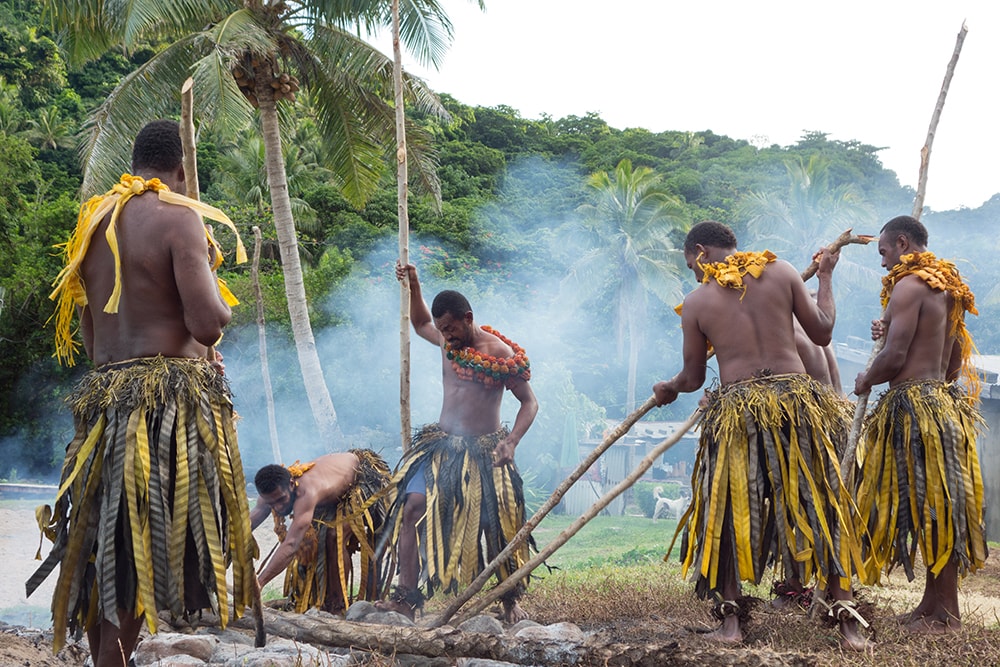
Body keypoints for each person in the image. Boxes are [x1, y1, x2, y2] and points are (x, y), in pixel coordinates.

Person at [27, 120, 254, 667]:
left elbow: (88, 327)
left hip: (106, 400)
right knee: (145, 549)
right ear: (181, 170)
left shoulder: (96, 221)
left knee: (113, 547)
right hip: (163, 410)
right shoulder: (180, 218)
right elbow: (205, 324)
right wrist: (223, 310)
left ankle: (110, 660)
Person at [653, 221, 869, 650]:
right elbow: (823, 330)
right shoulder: (784, 271)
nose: (694, 275)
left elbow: (694, 377)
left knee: (728, 513)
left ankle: (731, 627)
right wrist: (825, 276)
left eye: (691, 265)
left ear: (700, 251)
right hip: (797, 402)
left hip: (738, 410)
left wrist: (669, 388)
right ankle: (849, 627)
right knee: (821, 506)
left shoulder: (696, 302)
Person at [377, 262, 538, 622]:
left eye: (450, 329)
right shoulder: (447, 342)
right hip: (441, 447)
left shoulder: (499, 354)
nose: (445, 336)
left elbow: (530, 402)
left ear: (468, 318)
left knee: (496, 525)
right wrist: (414, 284)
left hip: (484, 451)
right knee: (411, 509)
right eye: (442, 330)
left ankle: (510, 599)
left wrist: (511, 442)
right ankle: (406, 598)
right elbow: (420, 324)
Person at [853, 215, 986, 634]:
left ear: (903, 242)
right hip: (940, 404)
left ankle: (946, 613)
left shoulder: (908, 287)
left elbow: (893, 357)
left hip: (915, 409)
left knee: (932, 509)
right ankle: (931, 604)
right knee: (932, 506)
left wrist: (866, 378)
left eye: (884, 252)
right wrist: (889, 326)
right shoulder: (948, 287)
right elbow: (951, 363)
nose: (882, 263)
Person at [249, 451, 391, 615]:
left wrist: (259, 583)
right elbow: (245, 526)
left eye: (281, 500)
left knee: (333, 536)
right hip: (334, 483)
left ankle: (338, 605)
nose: (278, 507)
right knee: (314, 540)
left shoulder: (307, 492)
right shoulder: (272, 493)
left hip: (361, 476)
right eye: (271, 503)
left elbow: (292, 544)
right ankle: (323, 601)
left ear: (291, 484)